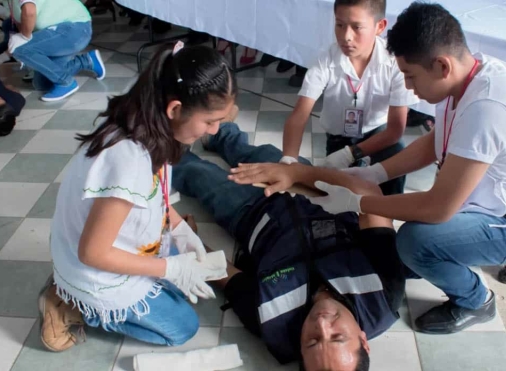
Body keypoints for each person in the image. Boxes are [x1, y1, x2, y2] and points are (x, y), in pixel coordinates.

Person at [229, 2, 506, 335]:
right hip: (486, 200)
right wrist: (376, 174)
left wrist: (356, 203)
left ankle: (477, 300)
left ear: (442, 66)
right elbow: (434, 142)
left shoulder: (486, 110)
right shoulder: (470, 74)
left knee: (415, 242)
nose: (408, 86)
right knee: (405, 257)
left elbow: (437, 208)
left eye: (411, 76)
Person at [40, 45, 237, 352]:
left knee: (187, 279)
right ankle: (69, 303)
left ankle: (78, 290)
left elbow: (156, 195)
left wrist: (179, 229)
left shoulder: (150, 120)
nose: (214, 130)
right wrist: (171, 269)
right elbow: (92, 253)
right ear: (174, 109)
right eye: (210, 121)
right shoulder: (128, 161)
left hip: (101, 240)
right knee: (182, 327)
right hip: (91, 263)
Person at [172, 123, 405, 370]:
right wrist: (296, 174)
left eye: (313, 341)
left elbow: (224, 274)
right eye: (338, 337)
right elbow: (367, 193)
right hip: (314, 189)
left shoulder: (272, 322)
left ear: (300, 350)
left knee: (194, 172)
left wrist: (186, 239)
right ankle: (217, 128)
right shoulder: (383, 294)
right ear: (363, 340)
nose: (323, 324)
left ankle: (151, 137)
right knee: (245, 150)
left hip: (250, 215)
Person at [281, 0, 418, 195]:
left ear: (380, 26)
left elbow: (395, 130)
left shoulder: (394, 62)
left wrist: (351, 154)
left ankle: (385, 216)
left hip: (381, 137)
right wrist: (288, 161)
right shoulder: (326, 58)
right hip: (339, 140)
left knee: (393, 163)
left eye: (357, 27)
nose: (346, 36)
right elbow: (299, 116)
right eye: (340, 25)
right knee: (338, 198)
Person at [4, 0, 106, 101]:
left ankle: (66, 82)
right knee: (42, 84)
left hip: (75, 29)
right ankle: (86, 61)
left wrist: (23, 40)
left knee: (20, 49)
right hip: (56, 33)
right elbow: (21, 22)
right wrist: (6, 54)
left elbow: (29, 12)